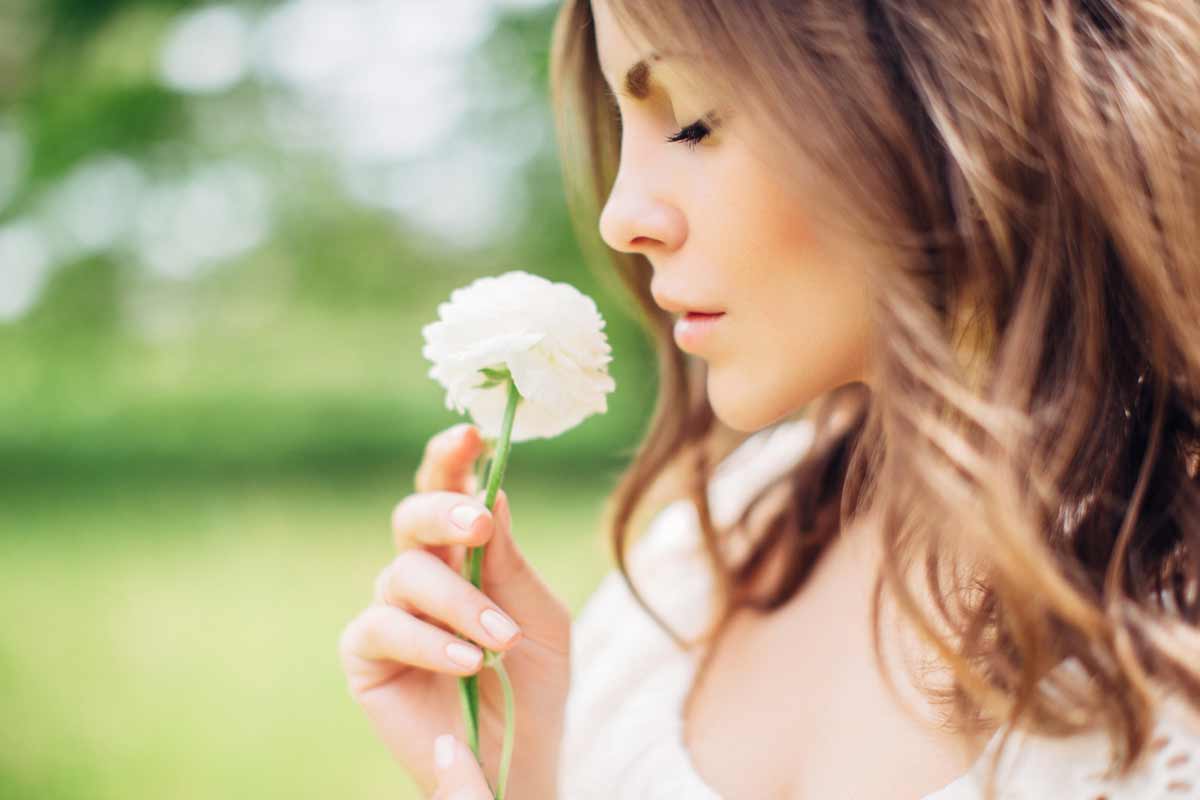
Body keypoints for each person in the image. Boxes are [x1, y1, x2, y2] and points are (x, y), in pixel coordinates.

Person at [338, 0, 1200, 797]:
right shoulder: (706, 561)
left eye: (694, 121)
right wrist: (534, 762)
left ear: (944, 84)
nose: (619, 217)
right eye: (621, 120)